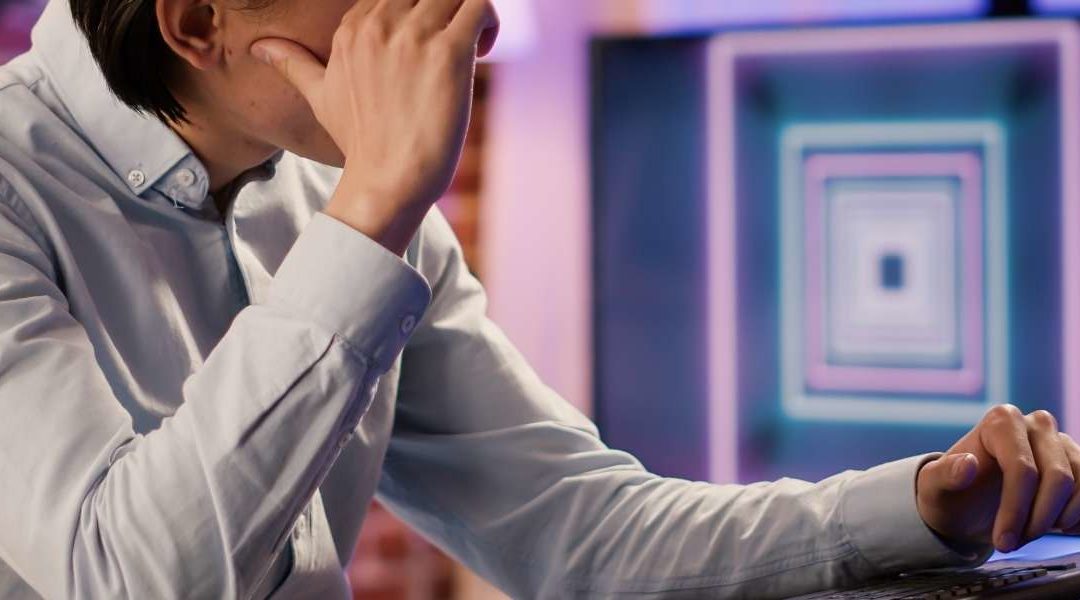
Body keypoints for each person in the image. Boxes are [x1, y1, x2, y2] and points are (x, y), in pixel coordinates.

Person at [0, 0, 1076, 598]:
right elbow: (122, 575)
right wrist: (370, 214)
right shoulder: (22, 188)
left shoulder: (347, 197)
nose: (472, 24)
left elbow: (580, 531)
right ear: (198, 22)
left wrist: (922, 505)